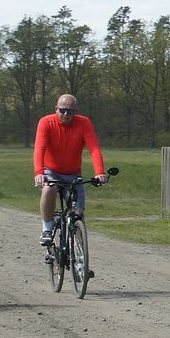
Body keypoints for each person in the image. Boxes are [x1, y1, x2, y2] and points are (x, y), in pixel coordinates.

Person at [32, 94, 107, 246]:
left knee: (78, 212)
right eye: (63, 110)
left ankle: (79, 255)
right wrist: (39, 173)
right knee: (48, 190)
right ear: (56, 109)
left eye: (71, 111)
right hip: (51, 171)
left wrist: (99, 172)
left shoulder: (84, 123)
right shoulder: (46, 122)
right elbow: (39, 148)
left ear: (76, 112)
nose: (66, 114)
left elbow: (93, 148)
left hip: (73, 173)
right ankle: (47, 228)